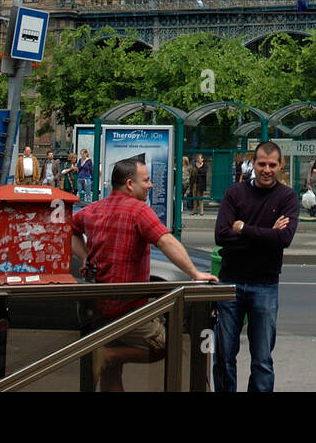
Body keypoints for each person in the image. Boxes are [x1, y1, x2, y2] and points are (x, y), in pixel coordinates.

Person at [71, 158, 216, 391]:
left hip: (97, 307)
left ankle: (107, 356)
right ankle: (107, 355)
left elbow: (69, 228)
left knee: (111, 375)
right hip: (128, 308)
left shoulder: (95, 208)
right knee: (163, 345)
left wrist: (86, 257)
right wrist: (194, 273)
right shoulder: (139, 210)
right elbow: (166, 241)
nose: (150, 185)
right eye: (146, 180)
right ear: (130, 184)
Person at [214, 141, 299, 392]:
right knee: (224, 356)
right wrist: (266, 235)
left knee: (262, 359)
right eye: (262, 164)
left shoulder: (287, 197)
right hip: (230, 283)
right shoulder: (234, 193)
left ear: (281, 165)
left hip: (265, 283)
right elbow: (221, 236)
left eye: (272, 165)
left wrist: (242, 229)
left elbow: (283, 240)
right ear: (253, 162)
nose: (266, 170)